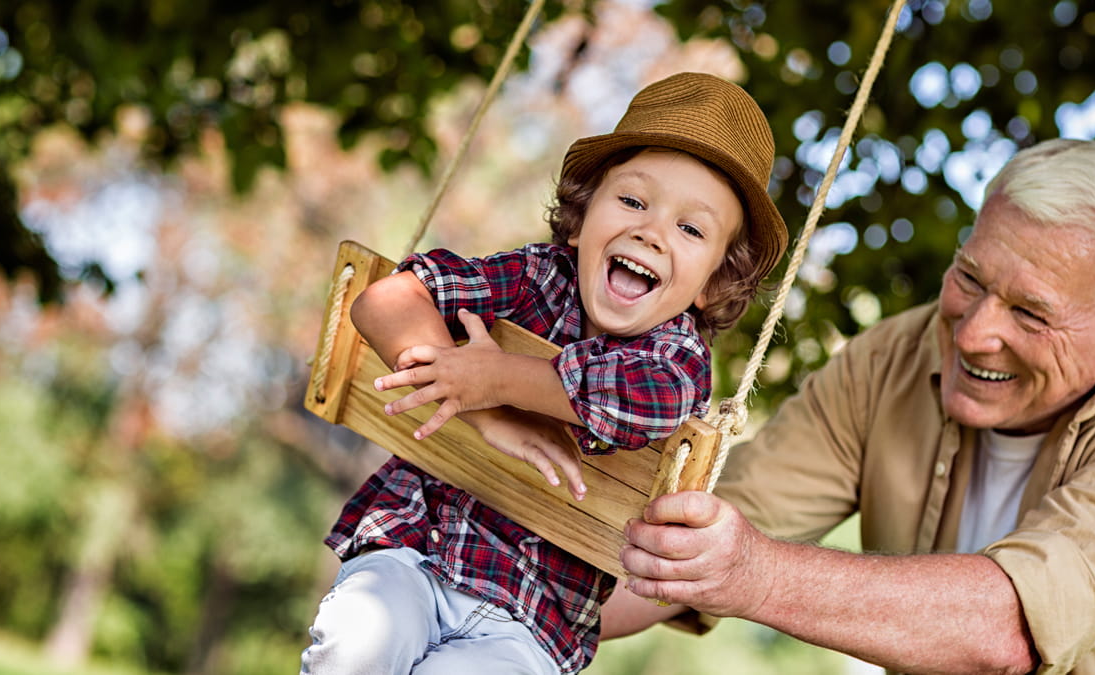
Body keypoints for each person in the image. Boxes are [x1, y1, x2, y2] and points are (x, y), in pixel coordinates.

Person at [299, 72, 789, 675]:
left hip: (533, 623)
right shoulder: (536, 276)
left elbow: (644, 399)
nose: (652, 231)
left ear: (714, 281)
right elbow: (384, 300)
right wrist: (484, 410)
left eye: (691, 229)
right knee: (358, 641)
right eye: (633, 201)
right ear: (581, 220)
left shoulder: (679, 357)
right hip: (415, 549)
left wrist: (496, 378)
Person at [605, 138, 1095, 674]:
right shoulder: (890, 360)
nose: (971, 334)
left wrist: (756, 575)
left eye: (1031, 314)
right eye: (969, 278)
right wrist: (527, 615)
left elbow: (1009, 630)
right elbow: (674, 549)